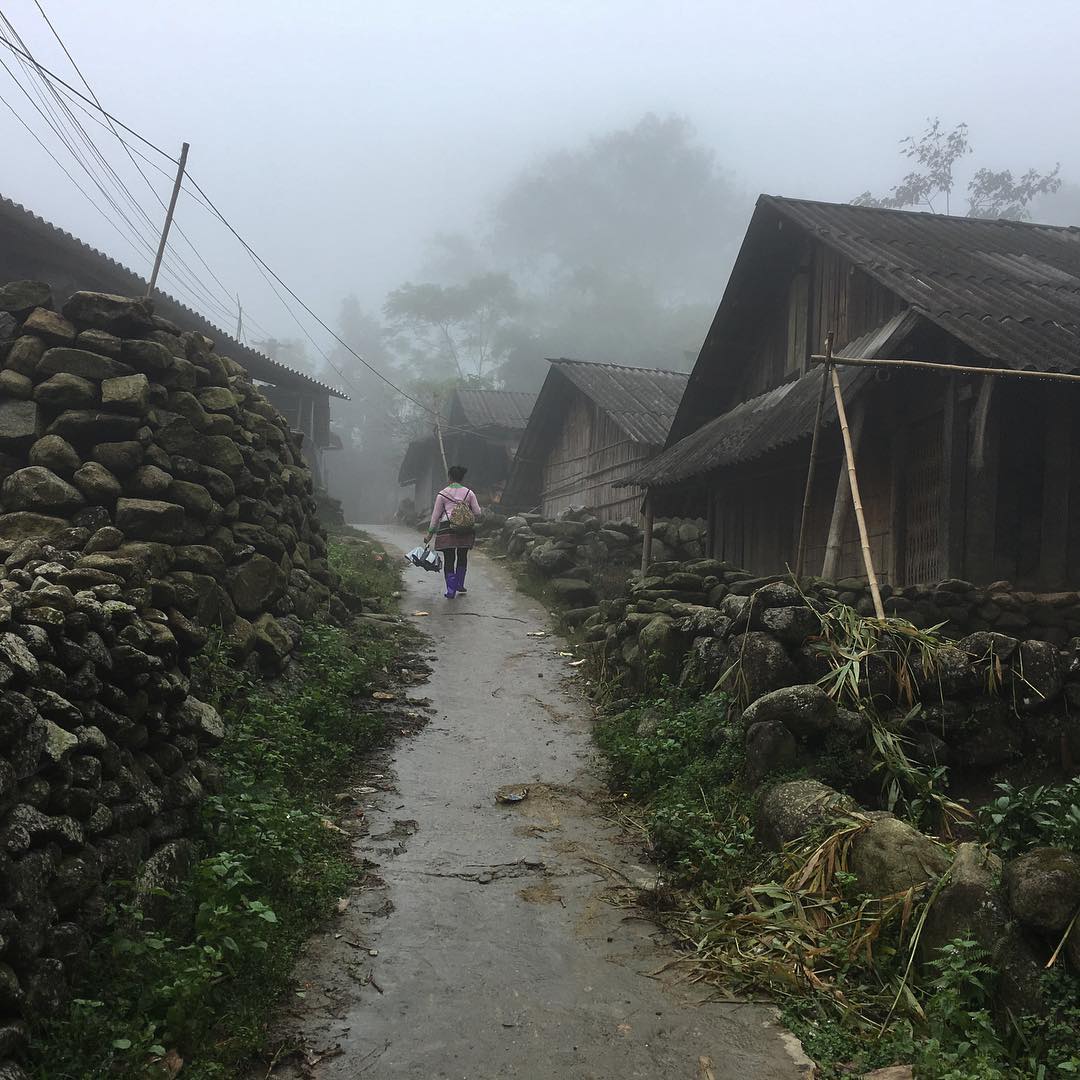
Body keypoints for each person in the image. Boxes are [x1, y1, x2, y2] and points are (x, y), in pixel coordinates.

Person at [424, 465, 482, 599]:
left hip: (447, 528)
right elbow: (478, 512)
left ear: (449, 477)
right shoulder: (469, 493)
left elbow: (435, 516)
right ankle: (460, 584)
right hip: (465, 529)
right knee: (462, 556)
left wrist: (429, 534)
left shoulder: (442, 494)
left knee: (449, 559)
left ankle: (451, 590)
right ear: (461, 478)